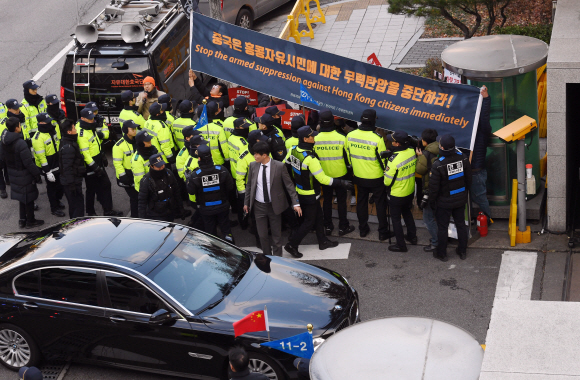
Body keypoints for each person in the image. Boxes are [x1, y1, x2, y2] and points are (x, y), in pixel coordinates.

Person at [285, 126, 348, 257]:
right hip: (310, 194)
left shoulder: (293, 150)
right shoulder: (310, 159)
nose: (314, 138)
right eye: (312, 136)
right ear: (305, 139)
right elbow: (323, 179)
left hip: (300, 191)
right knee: (309, 222)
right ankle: (292, 244)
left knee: (319, 217)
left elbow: (284, 165)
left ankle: (323, 241)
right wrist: (340, 183)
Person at [243, 141, 300, 256]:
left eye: (256, 154)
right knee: (262, 236)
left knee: (276, 237)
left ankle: (278, 260)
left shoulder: (279, 166)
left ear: (264, 155)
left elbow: (289, 186)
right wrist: (246, 203)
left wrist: (296, 203)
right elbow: (249, 185)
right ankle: (267, 258)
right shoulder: (253, 165)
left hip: (275, 206)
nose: (254, 156)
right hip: (259, 206)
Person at [346, 109, 389, 239]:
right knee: (380, 204)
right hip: (376, 177)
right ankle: (383, 232)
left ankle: (363, 229)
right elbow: (383, 161)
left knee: (362, 203)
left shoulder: (350, 135)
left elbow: (349, 158)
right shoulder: (378, 138)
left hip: (359, 176)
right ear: (373, 120)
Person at [429, 134, 472, 261]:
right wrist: (464, 194)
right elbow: (469, 180)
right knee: (461, 225)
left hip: (444, 202)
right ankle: (462, 251)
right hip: (460, 199)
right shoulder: (463, 158)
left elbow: (434, 188)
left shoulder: (438, 164)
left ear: (441, 147)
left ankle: (442, 253)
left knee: (442, 228)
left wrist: (432, 203)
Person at [314, 109, 355, 237]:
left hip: (323, 175)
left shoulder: (315, 138)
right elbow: (348, 158)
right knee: (342, 201)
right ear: (333, 121)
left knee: (326, 200)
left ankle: (328, 226)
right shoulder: (342, 137)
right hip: (341, 175)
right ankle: (343, 226)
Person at [77, 108, 123, 217]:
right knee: (92, 189)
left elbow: (97, 142)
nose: (92, 120)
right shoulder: (82, 133)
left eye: (92, 118)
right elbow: (85, 154)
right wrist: (95, 167)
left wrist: (102, 156)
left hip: (97, 160)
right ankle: (92, 212)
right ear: (82, 119)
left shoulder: (89, 126)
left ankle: (105, 210)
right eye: (89, 119)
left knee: (103, 185)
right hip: (91, 165)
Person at [186, 144, 235, 243]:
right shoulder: (222, 170)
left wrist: (188, 179)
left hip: (206, 209)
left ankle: (215, 252)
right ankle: (233, 248)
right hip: (222, 206)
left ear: (199, 158)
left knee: (210, 233)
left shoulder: (195, 175)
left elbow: (191, 191)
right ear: (211, 155)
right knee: (226, 230)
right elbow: (230, 187)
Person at [0, 117, 43, 228]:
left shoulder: (4, 140)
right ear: (17, 128)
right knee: (28, 197)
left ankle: (22, 219)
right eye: (19, 125)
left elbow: (2, 157)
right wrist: (37, 175)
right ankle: (30, 221)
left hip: (12, 172)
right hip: (23, 173)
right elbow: (28, 163)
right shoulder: (20, 143)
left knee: (21, 196)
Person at [384, 130, 418, 252]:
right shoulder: (411, 151)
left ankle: (401, 245)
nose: (391, 142)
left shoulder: (393, 161)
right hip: (409, 191)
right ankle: (412, 237)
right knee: (407, 213)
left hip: (396, 194)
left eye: (392, 141)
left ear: (397, 144)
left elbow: (387, 182)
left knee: (396, 219)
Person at [32, 113, 65, 217]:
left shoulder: (52, 131)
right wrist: (47, 171)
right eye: (47, 122)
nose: (50, 123)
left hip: (57, 162)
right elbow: (41, 157)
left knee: (60, 186)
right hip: (48, 166)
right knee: (52, 188)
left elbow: (58, 144)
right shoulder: (38, 138)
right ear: (40, 123)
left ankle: (58, 200)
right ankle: (54, 208)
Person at [138, 153, 184, 222]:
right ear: (152, 166)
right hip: (156, 214)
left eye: (162, 165)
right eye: (158, 166)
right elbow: (142, 202)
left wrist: (181, 208)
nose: (162, 167)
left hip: (170, 210)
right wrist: (143, 220)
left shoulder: (168, 173)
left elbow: (176, 191)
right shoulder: (146, 181)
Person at [415, 128, 439, 252]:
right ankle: (441, 237)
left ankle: (436, 241)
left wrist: (419, 157)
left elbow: (419, 170)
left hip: (429, 189)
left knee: (428, 218)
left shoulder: (425, 154)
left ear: (424, 142)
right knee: (438, 216)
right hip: (440, 188)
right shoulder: (441, 148)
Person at [470, 86, 492, 221]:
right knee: (478, 196)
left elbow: (484, 116)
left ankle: (487, 219)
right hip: (475, 169)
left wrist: (486, 99)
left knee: (480, 196)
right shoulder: (479, 130)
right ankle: (483, 219)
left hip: (475, 170)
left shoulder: (480, 130)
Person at [59, 119, 86, 218]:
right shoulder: (69, 148)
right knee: (77, 207)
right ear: (69, 132)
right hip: (71, 182)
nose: (76, 130)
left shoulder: (67, 142)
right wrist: (72, 185)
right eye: (74, 128)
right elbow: (67, 168)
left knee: (75, 206)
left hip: (72, 181)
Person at [113, 120, 139, 217]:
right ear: (125, 130)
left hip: (137, 174)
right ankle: (135, 217)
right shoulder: (119, 146)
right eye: (132, 129)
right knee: (135, 198)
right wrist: (123, 177)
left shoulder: (136, 141)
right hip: (127, 177)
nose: (135, 130)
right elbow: (117, 163)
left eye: (135, 128)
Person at [229, 118, 251, 227]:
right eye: (244, 126)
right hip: (243, 176)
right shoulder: (243, 144)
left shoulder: (231, 137)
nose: (247, 128)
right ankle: (244, 222)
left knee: (238, 199)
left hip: (234, 171)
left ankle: (242, 221)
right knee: (244, 201)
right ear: (237, 127)